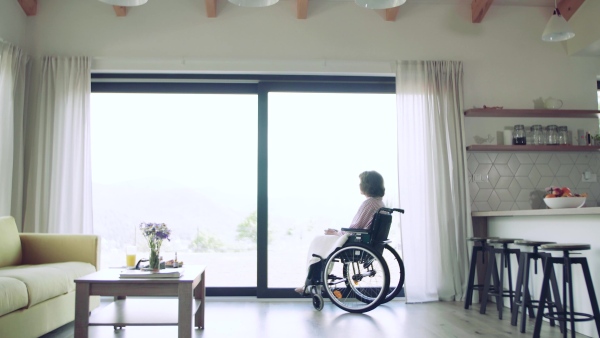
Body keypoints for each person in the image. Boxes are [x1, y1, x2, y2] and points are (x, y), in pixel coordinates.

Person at [295, 170, 386, 294]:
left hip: (357, 241)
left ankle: (311, 284)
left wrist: (336, 232)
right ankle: (313, 283)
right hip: (367, 242)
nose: (359, 185)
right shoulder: (380, 203)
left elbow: (354, 228)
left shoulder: (369, 203)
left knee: (318, 242)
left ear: (367, 185)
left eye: (361, 182)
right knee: (322, 243)